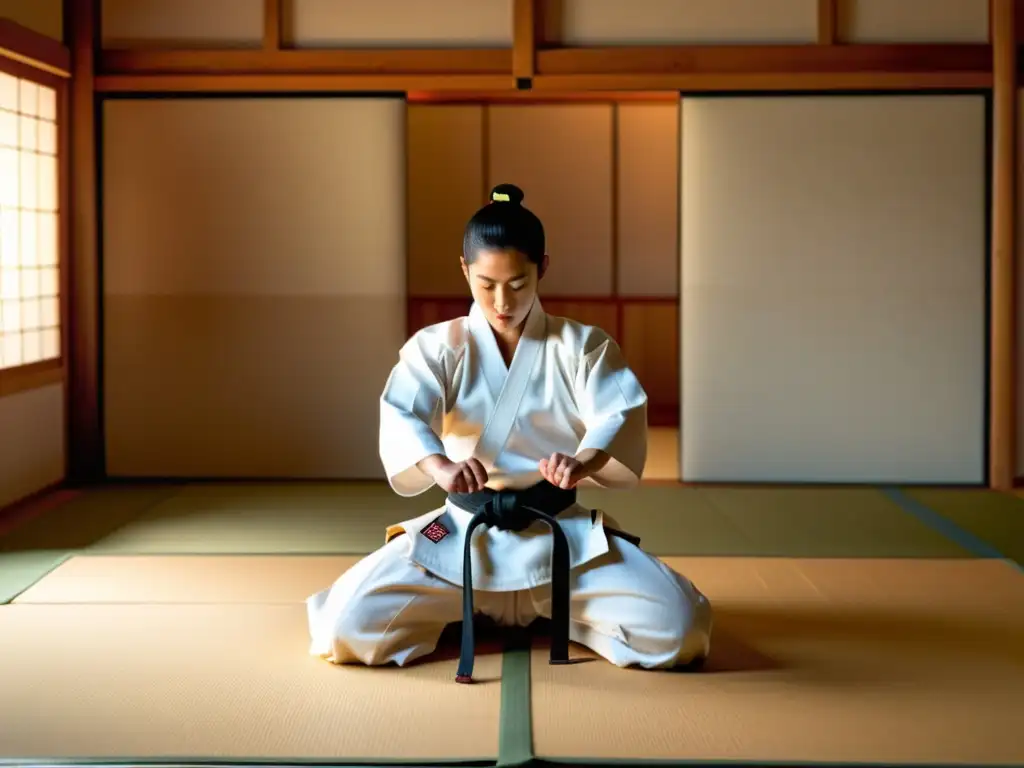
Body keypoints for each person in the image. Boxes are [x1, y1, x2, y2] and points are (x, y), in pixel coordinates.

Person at [306, 183, 712, 681]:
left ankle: (538, 611)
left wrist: (581, 461)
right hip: (463, 534)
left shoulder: (582, 346)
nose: (502, 301)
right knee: (343, 628)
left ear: (543, 266)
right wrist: (440, 465)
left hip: (559, 533)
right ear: (464, 270)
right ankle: (478, 606)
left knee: (681, 628)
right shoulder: (438, 347)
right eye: (485, 284)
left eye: (518, 284)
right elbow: (403, 413)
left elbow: (617, 413)